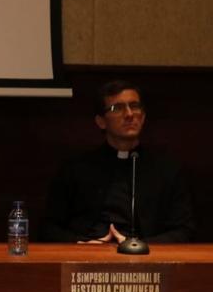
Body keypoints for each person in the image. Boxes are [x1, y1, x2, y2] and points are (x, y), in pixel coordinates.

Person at [42, 80, 194, 243]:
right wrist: (80, 244)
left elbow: (184, 230)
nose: (129, 114)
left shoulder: (167, 170)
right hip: (88, 253)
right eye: (117, 108)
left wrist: (140, 245)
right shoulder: (75, 169)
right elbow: (48, 228)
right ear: (101, 121)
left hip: (145, 256)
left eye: (135, 106)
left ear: (143, 117)